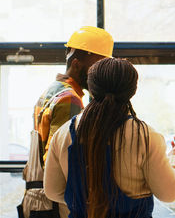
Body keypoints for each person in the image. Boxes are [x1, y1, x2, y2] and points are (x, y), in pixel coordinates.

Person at [43, 58, 175, 218]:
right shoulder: (145, 136)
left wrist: (88, 201)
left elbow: (53, 191)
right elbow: (168, 193)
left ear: (92, 88)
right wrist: (174, 157)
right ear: (132, 90)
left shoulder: (63, 134)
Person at [18, 26, 114, 218]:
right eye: (96, 68)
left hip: (37, 198)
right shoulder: (70, 99)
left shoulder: (50, 92)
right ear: (77, 64)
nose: (100, 75)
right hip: (54, 204)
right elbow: (60, 158)